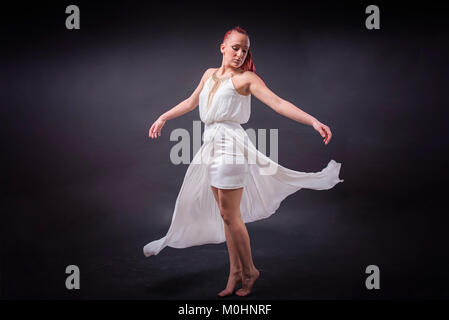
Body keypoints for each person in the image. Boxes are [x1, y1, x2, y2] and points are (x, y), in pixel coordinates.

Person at [145, 26, 344, 297]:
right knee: (226, 217)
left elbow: (278, 102)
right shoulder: (209, 74)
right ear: (223, 47)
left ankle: (250, 271)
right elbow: (192, 101)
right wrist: (163, 116)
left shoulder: (246, 79)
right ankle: (235, 273)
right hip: (209, 148)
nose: (240, 54)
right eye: (236, 47)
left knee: (231, 216)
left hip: (231, 150)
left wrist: (313, 121)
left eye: (245, 50)